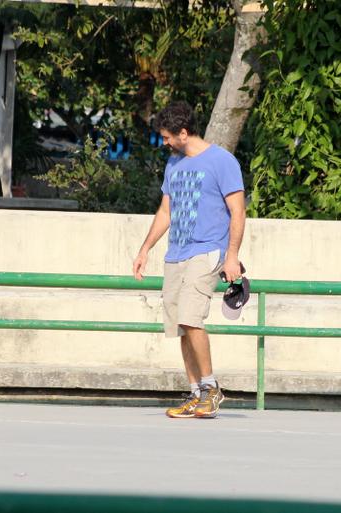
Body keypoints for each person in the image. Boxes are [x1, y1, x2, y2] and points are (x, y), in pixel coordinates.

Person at [132, 101, 245, 419]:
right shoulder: (174, 163)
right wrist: (145, 250)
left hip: (207, 250)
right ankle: (196, 394)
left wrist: (232, 256)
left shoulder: (222, 162)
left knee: (192, 318)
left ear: (183, 132)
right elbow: (166, 211)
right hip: (176, 253)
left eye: (168, 137)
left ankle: (211, 389)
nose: (165, 143)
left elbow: (238, 211)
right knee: (180, 325)